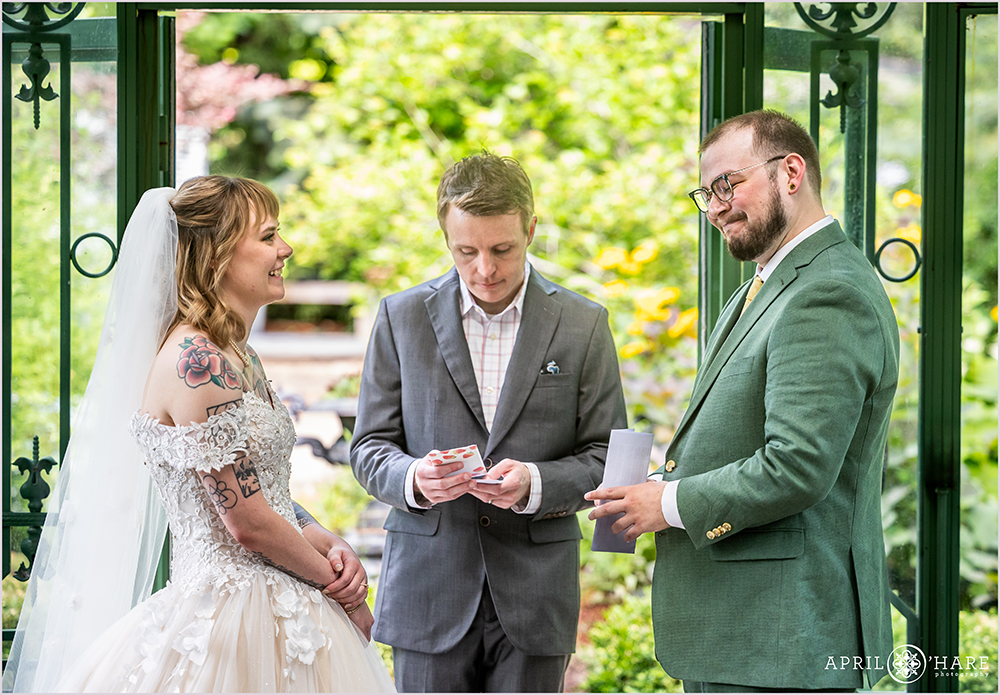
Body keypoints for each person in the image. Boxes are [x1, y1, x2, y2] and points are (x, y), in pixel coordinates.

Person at [3, 176, 395, 693]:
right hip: (232, 619)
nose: (287, 248)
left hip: (276, 599)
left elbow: (256, 489)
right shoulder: (198, 362)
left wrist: (320, 535)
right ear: (216, 256)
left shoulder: (237, 354)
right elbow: (247, 523)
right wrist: (342, 591)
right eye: (269, 236)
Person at [587, 111, 899, 692]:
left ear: (791, 172)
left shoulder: (826, 292)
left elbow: (797, 466)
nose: (715, 206)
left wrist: (669, 503)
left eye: (728, 184)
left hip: (781, 641)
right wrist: (652, 485)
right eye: (706, 192)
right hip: (747, 638)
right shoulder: (763, 286)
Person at [350, 152, 627, 692]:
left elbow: (607, 457)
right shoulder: (400, 317)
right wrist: (413, 478)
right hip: (428, 590)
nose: (485, 270)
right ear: (445, 237)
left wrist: (536, 483)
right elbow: (369, 447)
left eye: (502, 249)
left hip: (536, 595)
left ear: (531, 228)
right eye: (466, 251)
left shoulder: (583, 323)